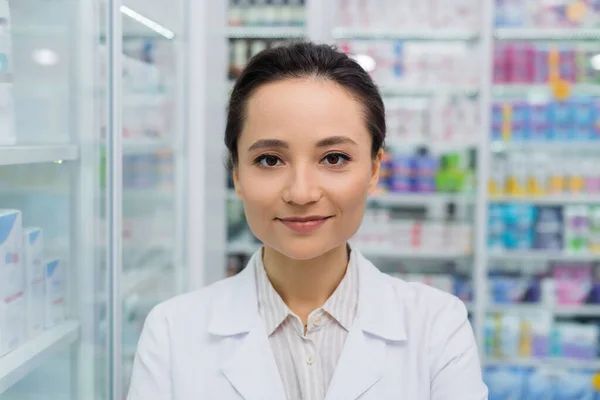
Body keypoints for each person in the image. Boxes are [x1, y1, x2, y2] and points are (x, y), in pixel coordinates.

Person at [127, 42, 489, 400]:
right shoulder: (173, 332)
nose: (301, 194)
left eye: (333, 158)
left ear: (375, 169)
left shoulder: (438, 325)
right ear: (237, 174)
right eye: (270, 160)